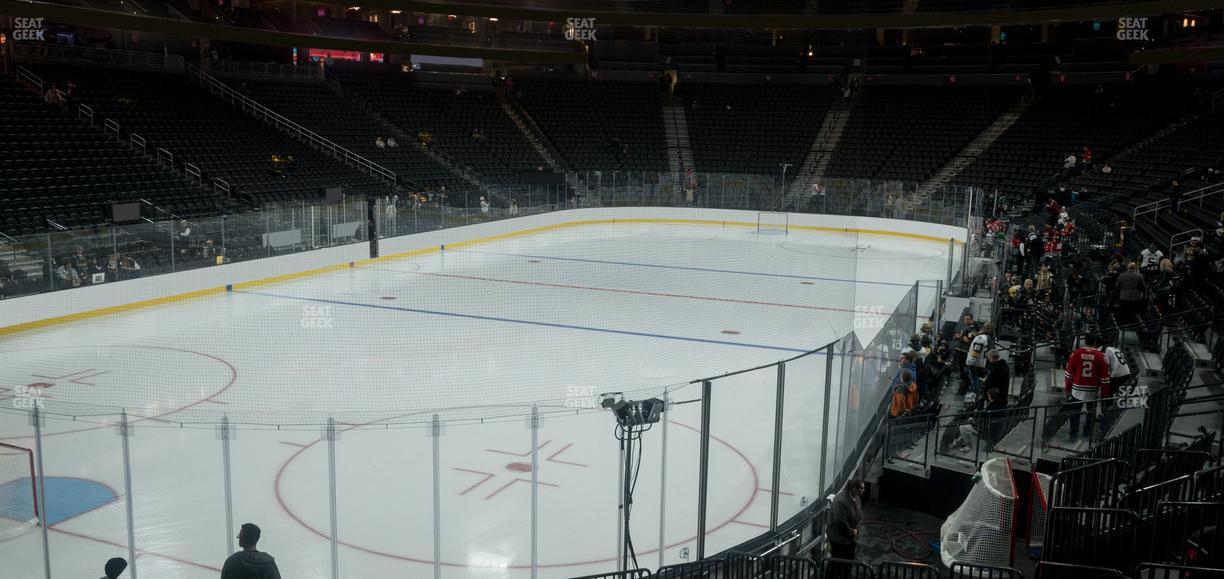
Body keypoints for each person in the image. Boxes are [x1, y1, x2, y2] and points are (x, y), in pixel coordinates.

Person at [1064, 334, 1111, 442]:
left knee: (1074, 413)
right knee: (1091, 413)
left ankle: (1073, 434)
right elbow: (1105, 379)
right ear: (1095, 342)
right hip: (1092, 390)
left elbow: (1069, 374)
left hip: (1077, 390)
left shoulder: (1076, 353)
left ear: (1085, 342)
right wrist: (1104, 394)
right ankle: (1087, 432)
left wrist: (1067, 389)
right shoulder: (1101, 356)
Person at [953, 388, 1008, 452]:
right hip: (992, 428)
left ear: (992, 397)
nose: (988, 397)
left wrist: (977, 413)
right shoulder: (1001, 405)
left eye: (989, 396)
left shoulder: (995, 406)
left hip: (986, 429)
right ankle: (960, 441)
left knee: (962, 427)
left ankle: (968, 446)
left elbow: (985, 415)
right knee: (968, 425)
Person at [826, 480, 864, 567]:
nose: (863, 490)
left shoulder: (857, 498)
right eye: (861, 488)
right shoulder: (841, 501)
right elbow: (840, 522)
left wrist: (857, 529)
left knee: (848, 562)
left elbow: (860, 516)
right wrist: (852, 532)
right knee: (837, 564)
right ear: (854, 489)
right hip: (838, 540)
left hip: (850, 538)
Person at [965, 324, 992, 398]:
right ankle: (977, 394)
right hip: (980, 364)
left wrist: (969, 362)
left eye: (972, 331)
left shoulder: (979, 338)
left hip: (975, 364)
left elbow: (976, 353)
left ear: (974, 331)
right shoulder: (985, 337)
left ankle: (976, 395)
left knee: (975, 380)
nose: (971, 333)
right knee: (977, 380)